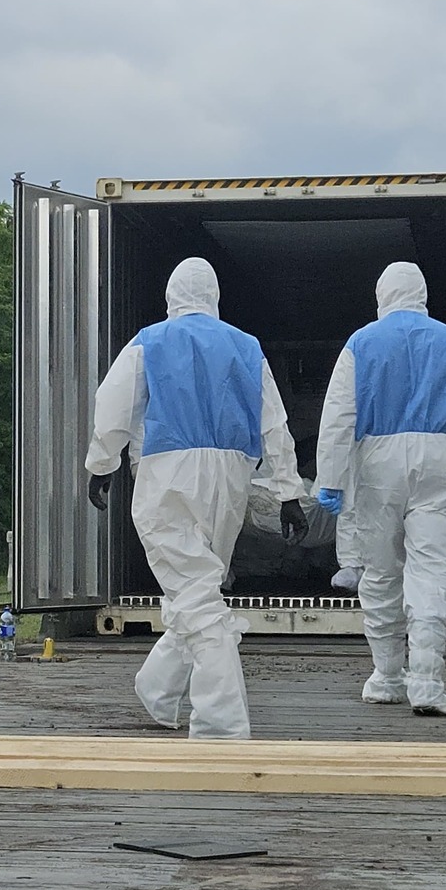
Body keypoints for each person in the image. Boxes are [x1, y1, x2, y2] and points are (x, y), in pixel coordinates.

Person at [87, 257, 306, 739]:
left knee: (196, 594)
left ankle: (221, 725)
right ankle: (157, 688)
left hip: (167, 469)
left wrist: (102, 465)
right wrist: (288, 492)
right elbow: (274, 423)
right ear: (214, 296)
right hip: (231, 475)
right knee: (199, 588)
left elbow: (112, 406)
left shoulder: (150, 341)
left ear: (170, 296)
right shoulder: (246, 346)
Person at [315, 262, 446, 716]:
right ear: (422, 294)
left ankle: (386, 677)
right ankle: (428, 682)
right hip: (443, 457)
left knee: (381, 571)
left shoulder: (360, 343)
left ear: (382, 295)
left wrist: (331, 478)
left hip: (378, 458)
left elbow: (338, 416)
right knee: (433, 570)